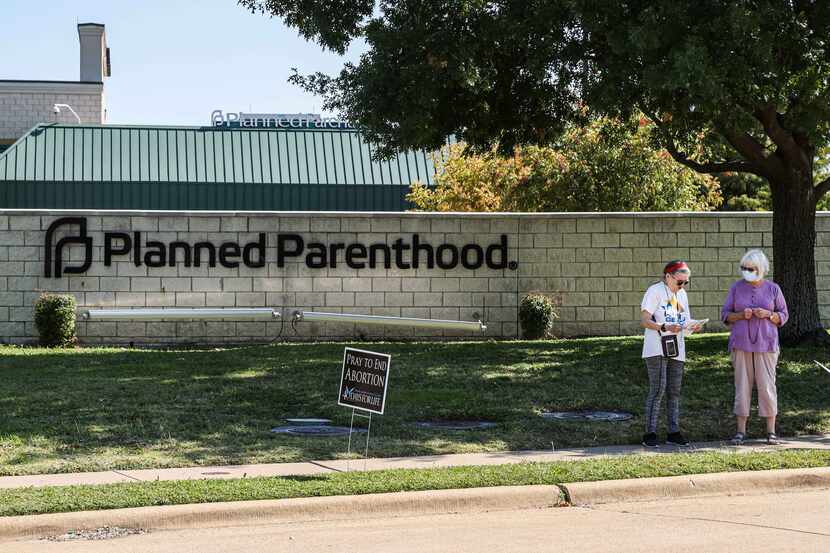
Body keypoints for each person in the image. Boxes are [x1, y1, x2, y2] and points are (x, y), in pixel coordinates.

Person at [720, 249, 788, 445]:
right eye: (743, 268)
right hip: (741, 344)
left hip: (766, 344)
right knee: (742, 386)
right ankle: (740, 431)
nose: (745, 271)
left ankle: (771, 431)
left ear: (760, 269)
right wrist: (742, 315)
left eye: (749, 268)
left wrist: (768, 314)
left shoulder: (773, 288)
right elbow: (725, 315)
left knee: (767, 387)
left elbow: (783, 315)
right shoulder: (736, 288)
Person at [639, 260, 702, 448]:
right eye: (679, 282)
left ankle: (673, 432)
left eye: (685, 282)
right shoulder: (655, 291)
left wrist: (693, 326)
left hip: (677, 347)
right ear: (668, 277)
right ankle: (649, 433)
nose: (682, 286)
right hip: (656, 347)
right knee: (658, 389)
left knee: (674, 391)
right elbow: (644, 320)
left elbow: (684, 321)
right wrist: (664, 326)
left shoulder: (681, 295)